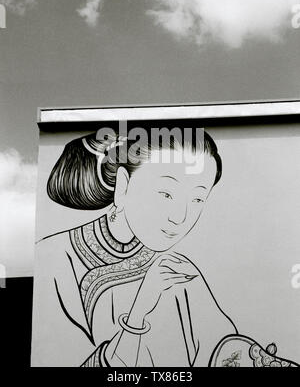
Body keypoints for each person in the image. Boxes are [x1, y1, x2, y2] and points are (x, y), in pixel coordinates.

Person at [34, 126, 298, 367]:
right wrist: (139, 312)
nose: (180, 217)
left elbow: (219, 348)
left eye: (197, 199)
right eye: (166, 194)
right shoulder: (55, 258)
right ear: (123, 186)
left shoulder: (178, 271)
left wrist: (254, 360)